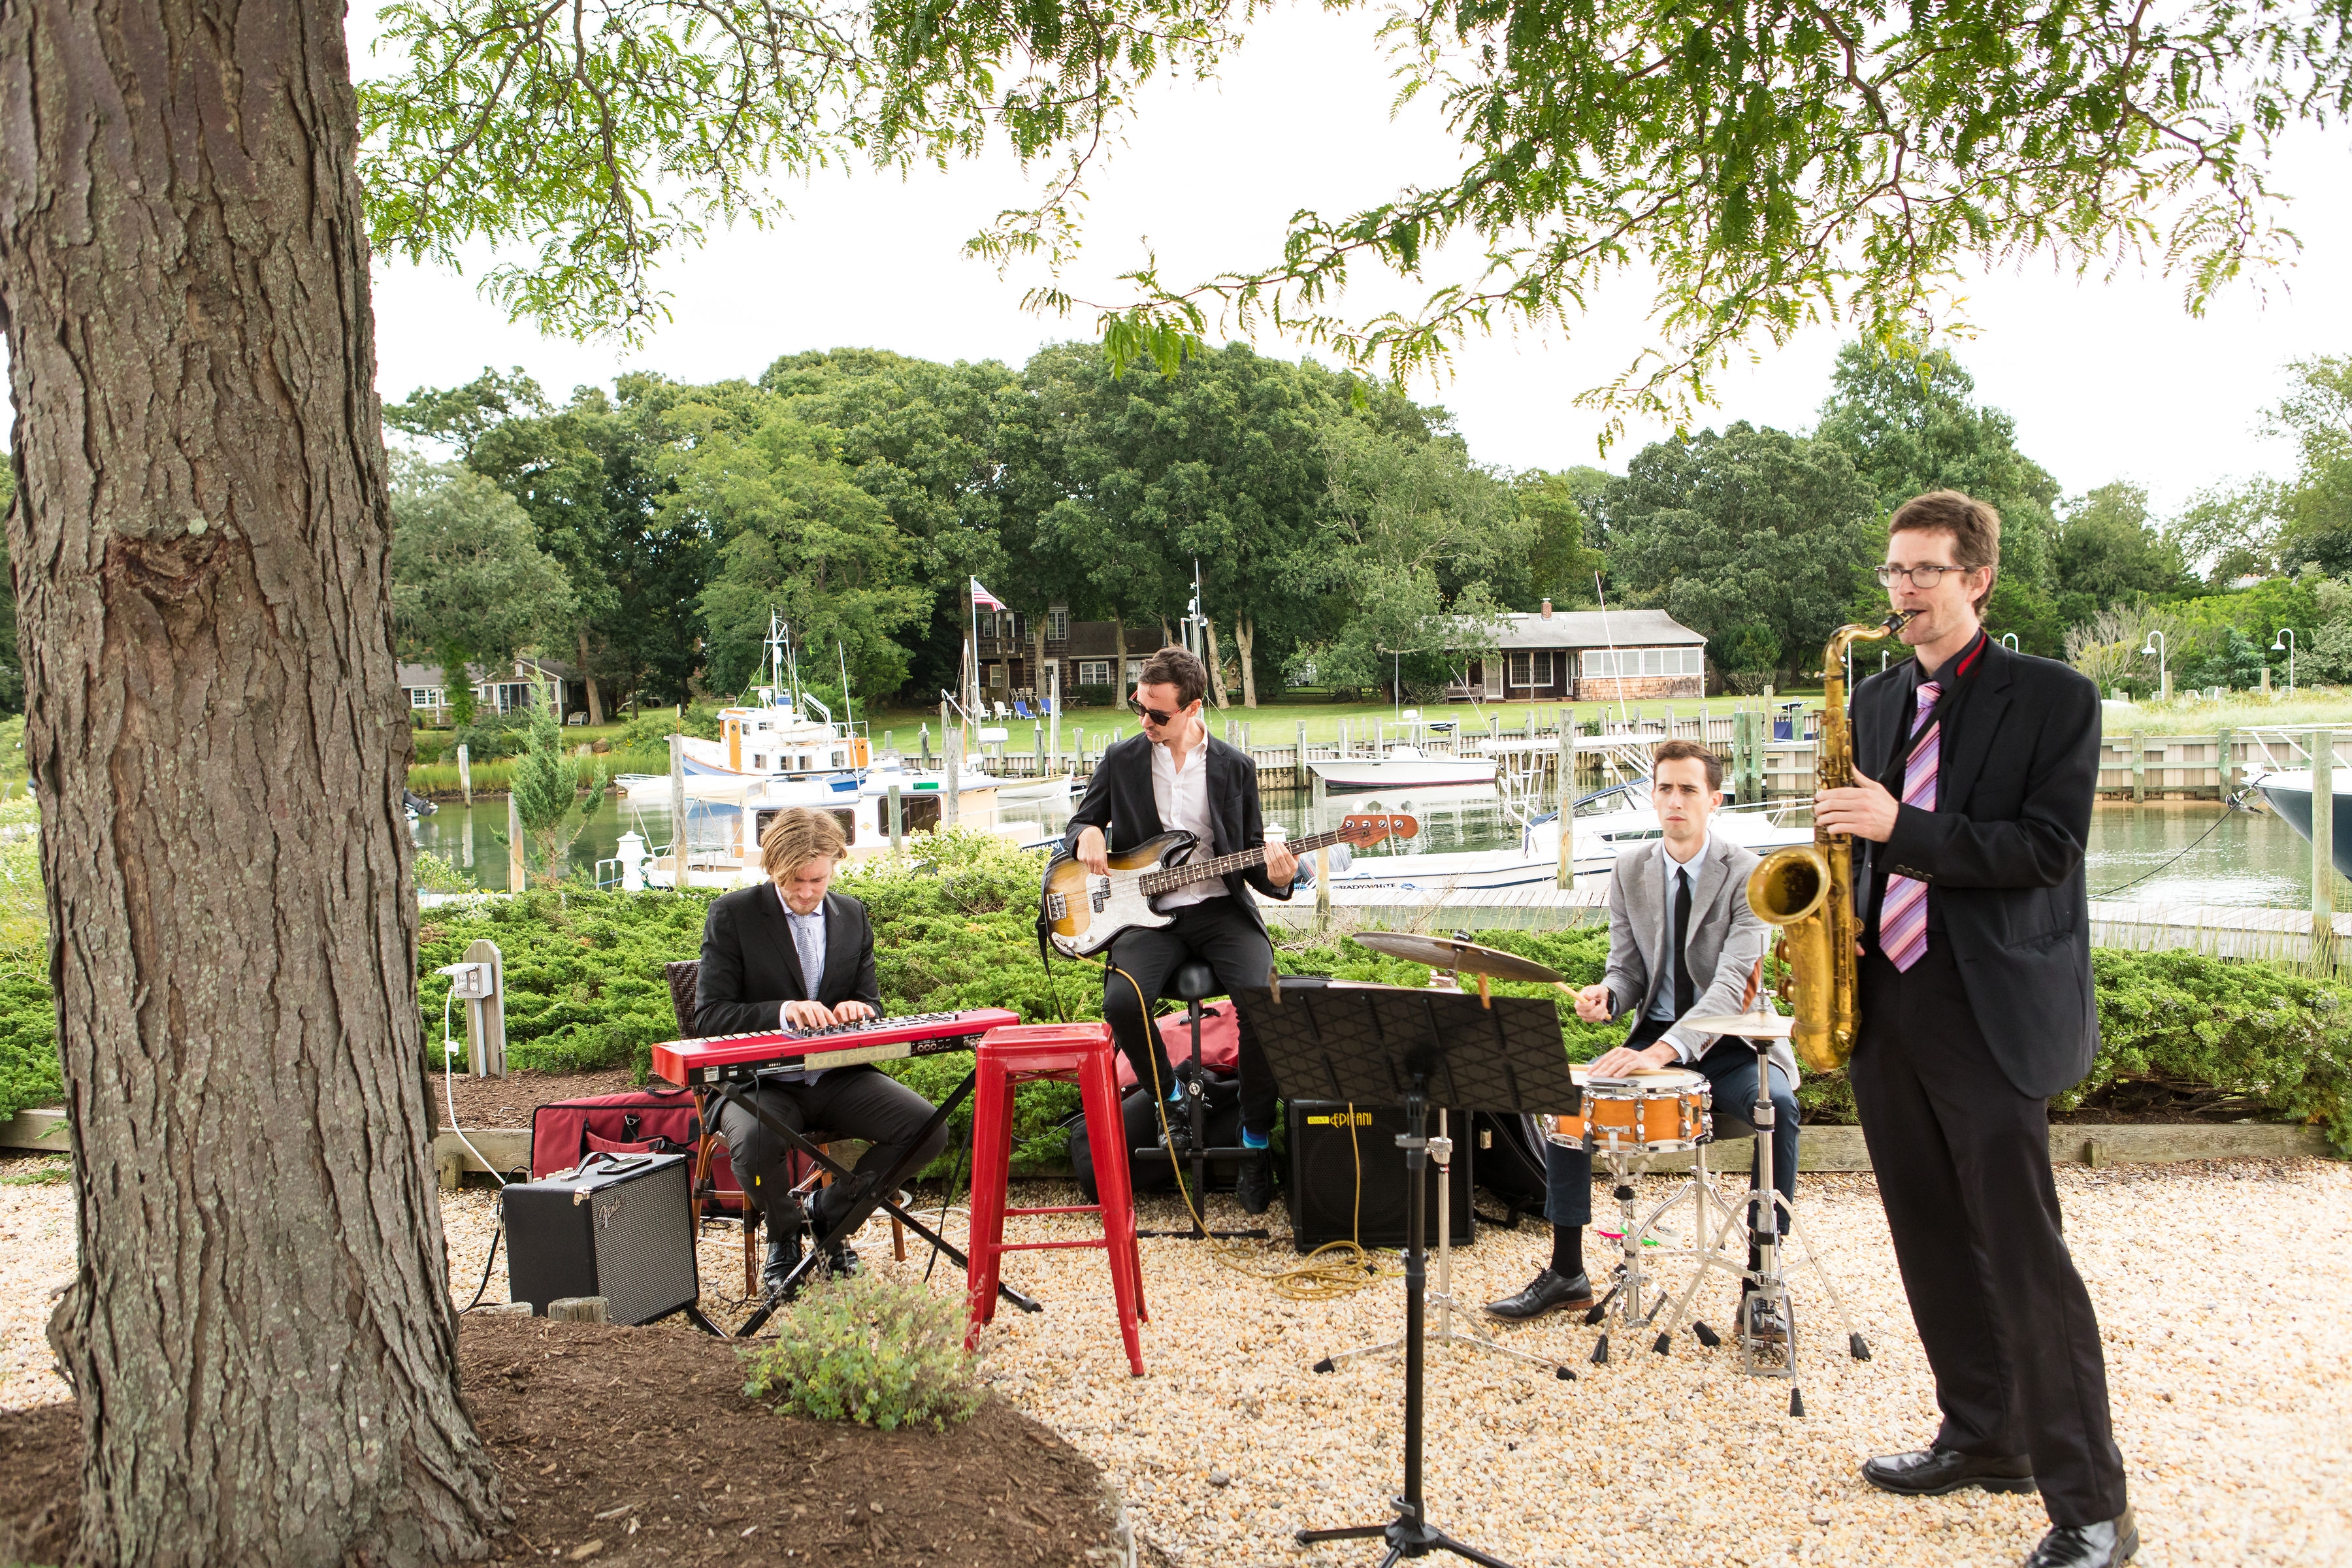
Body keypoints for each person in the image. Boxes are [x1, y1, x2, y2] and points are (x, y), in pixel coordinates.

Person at [1814, 490, 2133, 1568]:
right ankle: (1983, 1436)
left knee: (2025, 1255)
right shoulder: (1874, 699)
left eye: (1924, 573)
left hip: (1990, 1009)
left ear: (1978, 579)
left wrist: (1898, 828)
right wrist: (1839, 912)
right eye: (1893, 573)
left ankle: (2092, 1506)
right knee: (1931, 1240)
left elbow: (2044, 849)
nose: (1902, 592)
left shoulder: (2056, 699)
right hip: (1889, 1002)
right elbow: (1859, 847)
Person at [1485, 739, 1796, 1327]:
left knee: (1774, 1106)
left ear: (1715, 800)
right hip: (1652, 1031)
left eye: (1688, 790)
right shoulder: (1630, 869)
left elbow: (1736, 985)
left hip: (1735, 1042)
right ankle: (1568, 1270)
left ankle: (1764, 1277)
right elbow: (1627, 967)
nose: (1674, 801)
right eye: (1665, 788)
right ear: (1653, 796)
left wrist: (1661, 1052)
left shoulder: (1751, 874)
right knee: (1570, 1101)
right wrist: (1609, 995)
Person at [1065, 645, 1298, 1213]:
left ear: (1193, 708)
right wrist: (1087, 834)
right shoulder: (1122, 759)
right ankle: (1169, 1100)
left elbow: (1249, 859)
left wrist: (1282, 877)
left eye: (1158, 714)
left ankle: (1254, 1138)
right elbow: (1080, 821)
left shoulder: (1234, 767)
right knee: (1121, 1001)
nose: (1144, 721)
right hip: (1148, 915)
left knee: (1265, 1002)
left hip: (1219, 909)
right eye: (1138, 707)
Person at [695, 807, 949, 1299]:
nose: (808, 892)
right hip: (760, 1082)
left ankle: (826, 1217)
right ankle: (785, 1236)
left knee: (928, 1130)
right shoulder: (734, 915)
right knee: (755, 1143)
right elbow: (710, 1017)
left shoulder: (851, 914)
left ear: (834, 866)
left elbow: (871, 1001)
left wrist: (862, 1010)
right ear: (772, 868)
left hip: (835, 1077)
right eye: (795, 881)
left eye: (818, 879)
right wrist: (785, 1011)